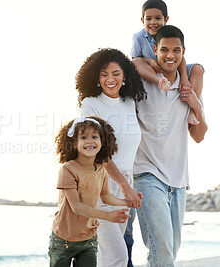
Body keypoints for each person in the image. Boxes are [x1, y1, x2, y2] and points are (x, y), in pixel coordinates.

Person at [133, 25, 207, 266]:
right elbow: (131, 63)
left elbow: (199, 136)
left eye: (176, 50)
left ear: (183, 52)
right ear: (155, 50)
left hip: (178, 180)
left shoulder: (188, 89)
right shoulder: (142, 84)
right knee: (162, 250)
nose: (170, 55)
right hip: (147, 174)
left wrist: (196, 106)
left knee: (168, 251)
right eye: (164, 49)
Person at [76, 48, 146, 266]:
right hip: (100, 187)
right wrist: (124, 185)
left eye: (115, 73)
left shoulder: (129, 103)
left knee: (104, 257)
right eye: (104, 74)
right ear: (96, 78)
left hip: (125, 184)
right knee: (118, 256)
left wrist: (127, 185)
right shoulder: (91, 104)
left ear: (124, 75)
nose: (110, 79)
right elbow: (96, 151)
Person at [49, 116, 135, 267]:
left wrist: (127, 202)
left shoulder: (100, 169)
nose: (90, 141)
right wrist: (107, 216)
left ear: (102, 142)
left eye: (94, 136)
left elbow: (106, 197)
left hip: (88, 239)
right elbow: (76, 206)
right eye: (83, 137)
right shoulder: (67, 169)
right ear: (74, 143)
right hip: (63, 240)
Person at [131, 0, 205, 125]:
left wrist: (184, 78)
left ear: (166, 19)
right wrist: (148, 60)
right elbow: (134, 59)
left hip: (173, 67)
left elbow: (180, 57)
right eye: (148, 19)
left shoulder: (171, 34)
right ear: (142, 20)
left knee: (198, 69)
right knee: (138, 61)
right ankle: (160, 81)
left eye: (158, 18)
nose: (153, 22)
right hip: (152, 70)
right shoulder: (138, 37)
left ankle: (193, 108)